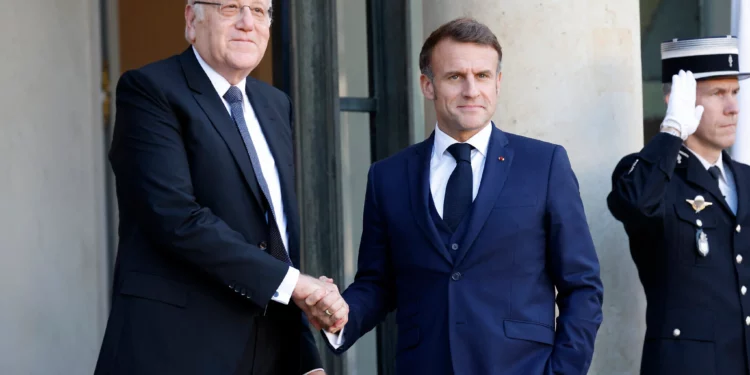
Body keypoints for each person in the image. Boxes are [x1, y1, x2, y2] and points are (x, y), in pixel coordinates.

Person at [312, 17, 603, 374]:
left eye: (482, 76)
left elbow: (582, 287)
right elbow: (377, 283)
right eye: (455, 77)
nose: (471, 90)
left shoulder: (544, 164)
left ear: (497, 83)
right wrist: (339, 312)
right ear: (428, 85)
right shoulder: (388, 176)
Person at [94, 1, 347, 374]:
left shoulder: (275, 104)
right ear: (191, 20)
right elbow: (175, 218)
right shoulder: (150, 91)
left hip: (269, 354)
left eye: (260, 12)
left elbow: (278, 245)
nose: (248, 23)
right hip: (174, 352)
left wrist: (306, 360)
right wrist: (298, 285)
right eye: (231, 7)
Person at [608, 36, 750, 375]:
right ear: (677, 100)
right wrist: (671, 132)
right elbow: (636, 205)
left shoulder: (746, 178)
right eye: (718, 94)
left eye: (734, 92)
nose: (733, 107)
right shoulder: (651, 176)